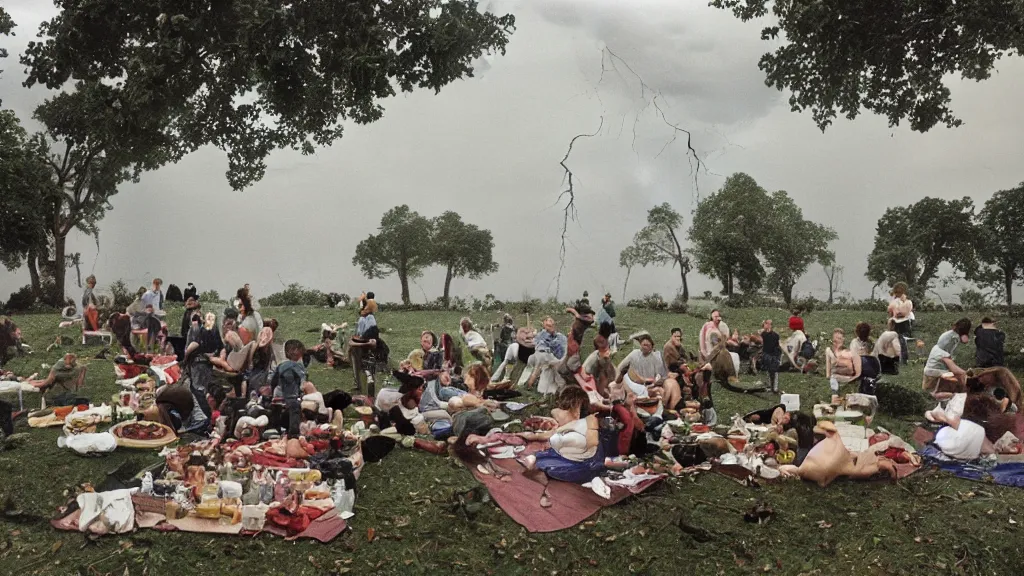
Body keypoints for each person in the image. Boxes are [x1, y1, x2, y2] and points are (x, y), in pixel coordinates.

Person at [517, 386, 603, 506]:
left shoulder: (581, 427)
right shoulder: (575, 420)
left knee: (545, 465)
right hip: (577, 456)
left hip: (584, 466)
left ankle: (547, 482)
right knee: (540, 456)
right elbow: (555, 418)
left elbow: (555, 434)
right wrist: (533, 436)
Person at [616, 332, 682, 411]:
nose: (645, 347)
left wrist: (656, 381)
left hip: (652, 385)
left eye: (648, 345)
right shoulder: (634, 354)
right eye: (644, 345)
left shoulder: (656, 357)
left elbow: (661, 374)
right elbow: (620, 367)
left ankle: (666, 408)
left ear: (651, 347)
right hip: (636, 385)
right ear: (640, 345)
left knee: (661, 391)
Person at [922, 318, 972, 395]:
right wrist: (966, 373)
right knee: (958, 377)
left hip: (932, 370)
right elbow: (955, 369)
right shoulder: (944, 353)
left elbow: (964, 340)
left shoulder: (948, 335)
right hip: (934, 372)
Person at [272, 340, 307, 438]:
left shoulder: (280, 366)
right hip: (291, 397)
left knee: (277, 411)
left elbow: (273, 381)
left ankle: (275, 429)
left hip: (278, 395)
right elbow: (302, 381)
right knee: (295, 409)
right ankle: (294, 433)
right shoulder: (297, 366)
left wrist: (271, 393)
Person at [525, 317, 567, 395]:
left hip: (540, 354)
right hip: (545, 354)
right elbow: (552, 335)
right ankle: (562, 387)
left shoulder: (541, 334)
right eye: (549, 320)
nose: (551, 322)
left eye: (552, 320)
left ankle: (529, 386)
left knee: (537, 371)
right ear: (544, 323)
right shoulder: (545, 332)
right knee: (557, 366)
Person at [887, 283, 913, 364]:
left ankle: (903, 359)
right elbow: (891, 312)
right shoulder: (895, 302)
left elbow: (905, 312)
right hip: (897, 322)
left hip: (903, 322)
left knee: (902, 341)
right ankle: (898, 358)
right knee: (897, 340)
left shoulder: (907, 302)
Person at [760, 320, 782, 393]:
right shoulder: (762, 334)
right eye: (766, 323)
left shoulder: (775, 335)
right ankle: (768, 386)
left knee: (775, 371)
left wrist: (777, 356)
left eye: (770, 324)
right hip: (765, 354)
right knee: (767, 371)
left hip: (774, 355)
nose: (768, 325)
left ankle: (775, 387)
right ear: (763, 325)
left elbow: (777, 346)